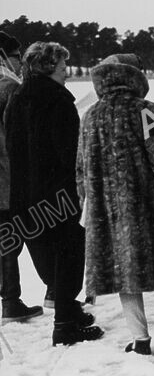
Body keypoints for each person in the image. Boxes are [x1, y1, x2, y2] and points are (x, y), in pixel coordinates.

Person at [77, 54, 154, 356]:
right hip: (151, 207)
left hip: (109, 211)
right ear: (133, 76)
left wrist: (88, 200)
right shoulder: (146, 109)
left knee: (124, 276)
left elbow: (81, 166)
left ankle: (140, 339)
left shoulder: (90, 115)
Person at [4, 41, 104, 345]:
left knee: (48, 255)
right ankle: (64, 326)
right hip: (58, 194)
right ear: (48, 67)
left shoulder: (17, 98)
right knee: (69, 254)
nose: (66, 72)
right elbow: (69, 152)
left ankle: (68, 310)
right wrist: (80, 185)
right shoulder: (58, 100)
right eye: (62, 66)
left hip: (24, 194)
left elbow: (13, 147)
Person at [0, 31, 45, 325]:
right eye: (16, 56)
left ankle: (11, 300)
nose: (19, 62)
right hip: (9, 178)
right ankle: (12, 301)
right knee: (12, 240)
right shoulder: (9, 87)